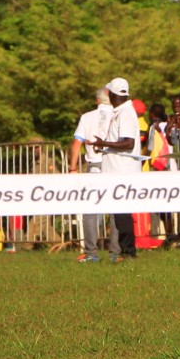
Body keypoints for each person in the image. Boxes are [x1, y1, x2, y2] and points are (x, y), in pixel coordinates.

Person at [86, 77, 141, 262]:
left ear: (111, 94)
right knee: (120, 213)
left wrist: (104, 143)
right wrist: (104, 147)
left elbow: (128, 143)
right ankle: (125, 252)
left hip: (123, 170)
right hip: (116, 169)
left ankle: (128, 252)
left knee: (123, 213)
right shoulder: (120, 111)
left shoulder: (126, 113)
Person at [69, 86, 117, 263]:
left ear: (97, 100)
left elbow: (76, 145)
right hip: (113, 166)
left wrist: (72, 168)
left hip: (94, 167)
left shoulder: (86, 117)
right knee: (115, 210)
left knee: (91, 211)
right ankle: (115, 253)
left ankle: (91, 253)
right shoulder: (117, 115)